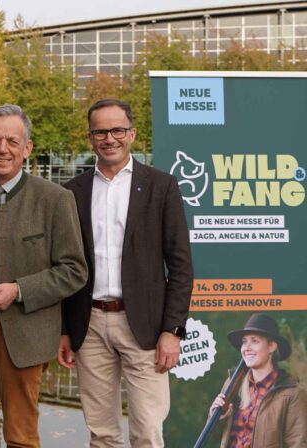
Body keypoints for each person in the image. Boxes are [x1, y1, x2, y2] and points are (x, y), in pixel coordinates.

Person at [0, 104, 88, 447]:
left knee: (21, 436)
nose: (2, 148)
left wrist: (20, 290)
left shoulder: (55, 199)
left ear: (27, 148)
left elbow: (74, 270)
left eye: (12, 140)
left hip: (25, 331)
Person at [59, 98, 193, 447]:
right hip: (88, 326)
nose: (109, 138)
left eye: (117, 129)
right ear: (90, 138)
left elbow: (180, 265)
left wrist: (172, 330)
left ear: (132, 133)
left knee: (147, 432)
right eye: (100, 131)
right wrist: (64, 330)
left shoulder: (161, 186)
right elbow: (63, 266)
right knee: (102, 433)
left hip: (146, 327)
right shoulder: (72, 193)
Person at [207, 313, 307, 448]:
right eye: (244, 341)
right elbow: (214, 437)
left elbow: (298, 443)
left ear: (271, 346)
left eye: (254, 341)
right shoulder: (232, 384)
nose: (247, 348)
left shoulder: (293, 394)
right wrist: (218, 417)